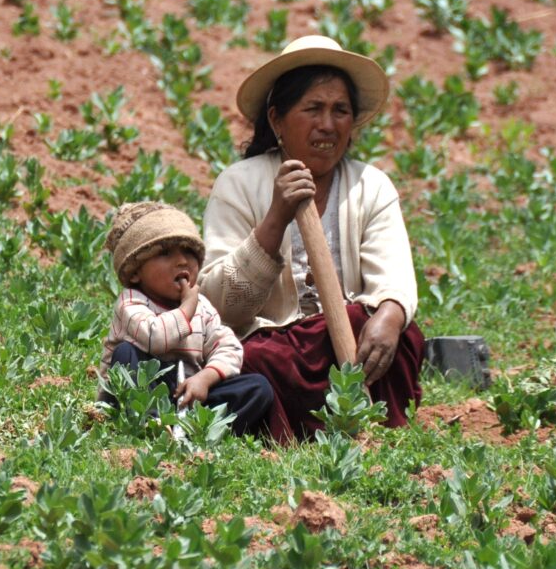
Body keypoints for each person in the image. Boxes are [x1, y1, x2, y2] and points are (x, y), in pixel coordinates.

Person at [200, 34, 424, 443]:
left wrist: (388, 318)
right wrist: (275, 219)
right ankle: (292, 432)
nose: (328, 124)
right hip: (274, 348)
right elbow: (220, 307)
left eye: (340, 111)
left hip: (351, 348)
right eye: (313, 109)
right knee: (252, 359)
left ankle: (372, 426)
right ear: (276, 119)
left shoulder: (371, 186)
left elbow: (395, 280)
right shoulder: (238, 184)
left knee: (402, 335)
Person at [99, 201, 273, 436]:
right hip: (143, 393)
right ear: (135, 271)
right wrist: (187, 308)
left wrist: (206, 377)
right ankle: (151, 424)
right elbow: (156, 338)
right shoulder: (131, 302)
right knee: (126, 353)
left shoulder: (202, 307)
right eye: (165, 253)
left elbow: (229, 347)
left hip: (188, 393)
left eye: (189, 252)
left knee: (258, 388)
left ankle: (199, 430)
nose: (182, 261)